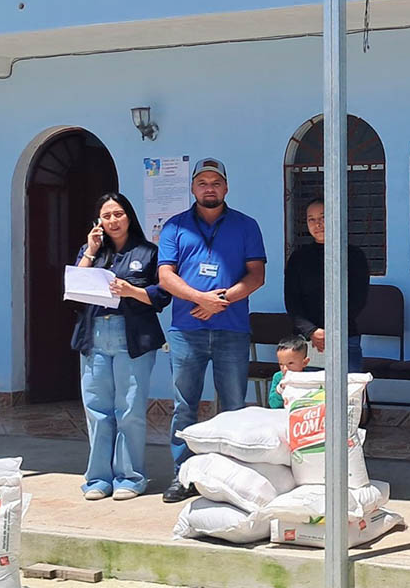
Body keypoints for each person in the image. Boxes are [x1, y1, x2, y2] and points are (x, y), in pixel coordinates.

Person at [158, 157, 267, 502]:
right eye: (203, 183)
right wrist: (199, 298)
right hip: (186, 330)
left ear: (226, 187)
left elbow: (256, 275)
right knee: (184, 406)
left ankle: (232, 477)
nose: (209, 188)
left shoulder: (246, 225)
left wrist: (221, 300)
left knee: (233, 405)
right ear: (193, 187)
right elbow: (165, 276)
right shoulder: (174, 227)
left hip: (231, 329)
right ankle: (183, 475)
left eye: (216, 183)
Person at [71, 193, 170, 501]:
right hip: (94, 335)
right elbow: (76, 291)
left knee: (129, 409)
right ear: (98, 221)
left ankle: (130, 477)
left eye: (118, 214)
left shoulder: (148, 252)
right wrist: (90, 250)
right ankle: (98, 479)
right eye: (106, 216)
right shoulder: (90, 251)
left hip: (133, 336)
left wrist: (131, 291)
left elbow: (161, 296)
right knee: (97, 409)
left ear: (129, 216)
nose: (113, 221)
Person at [283, 198, 370, 372]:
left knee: (349, 388)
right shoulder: (298, 258)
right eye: (311, 219)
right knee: (309, 389)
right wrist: (312, 331)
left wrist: (332, 331)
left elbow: (358, 298)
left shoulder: (353, 255)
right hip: (307, 341)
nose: (318, 224)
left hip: (344, 336)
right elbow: (292, 301)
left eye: (323, 217)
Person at [267, 335, 310, 409]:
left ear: (305, 362)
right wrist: (280, 390)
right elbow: (273, 404)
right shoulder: (278, 377)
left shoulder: (310, 377)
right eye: (281, 364)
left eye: (290, 363)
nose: (285, 369)